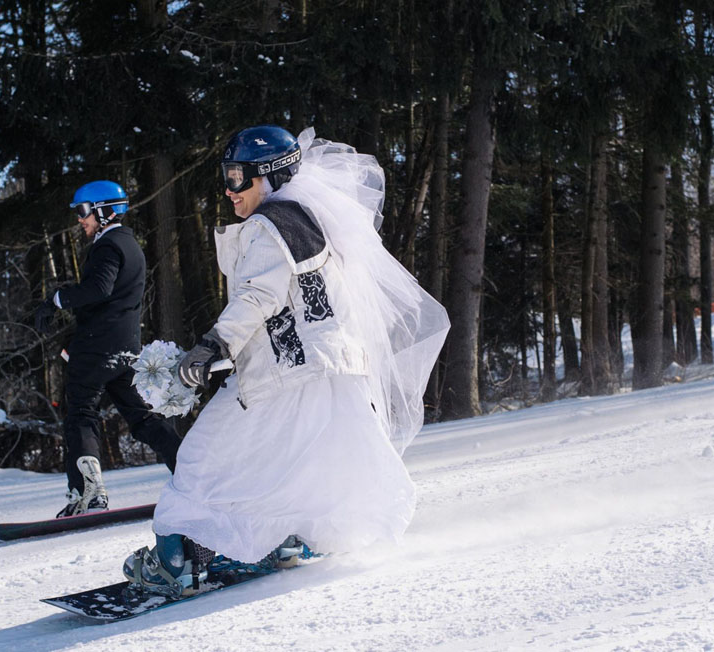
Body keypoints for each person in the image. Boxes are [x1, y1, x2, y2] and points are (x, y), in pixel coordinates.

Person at [121, 126, 450, 594]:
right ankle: (289, 539)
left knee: (201, 459)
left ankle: (178, 563)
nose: (229, 190)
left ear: (269, 176)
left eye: (238, 177)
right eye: (226, 176)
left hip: (288, 377)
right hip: (329, 371)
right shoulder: (307, 220)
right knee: (300, 463)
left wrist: (214, 344)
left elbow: (257, 296)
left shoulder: (269, 226)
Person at [35, 180, 182, 517]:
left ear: (104, 211)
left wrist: (57, 299)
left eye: (83, 212)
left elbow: (99, 289)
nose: (79, 220)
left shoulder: (107, 245)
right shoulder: (130, 244)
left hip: (97, 349)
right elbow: (112, 299)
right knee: (141, 417)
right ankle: (193, 474)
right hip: (125, 349)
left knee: (81, 414)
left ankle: (89, 494)